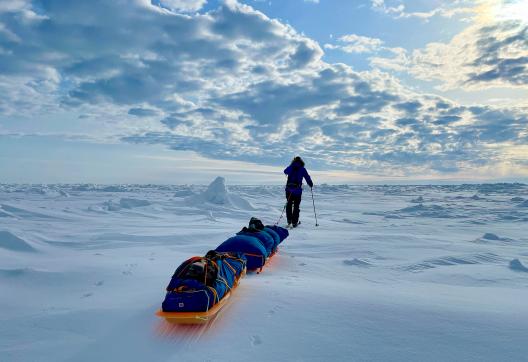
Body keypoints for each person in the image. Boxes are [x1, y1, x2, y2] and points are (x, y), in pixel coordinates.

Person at [283, 156, 313, 228]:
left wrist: (291, 166)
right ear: (301, 162)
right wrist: (310, 184)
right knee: (296, 206)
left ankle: (289, 221)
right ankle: (294, 222)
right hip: (297, 191)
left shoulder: (291, 167)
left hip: (289, 190)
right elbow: (307, 177)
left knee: (289, 205)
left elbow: (285, 171)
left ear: (294, 161)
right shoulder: (302, 169)